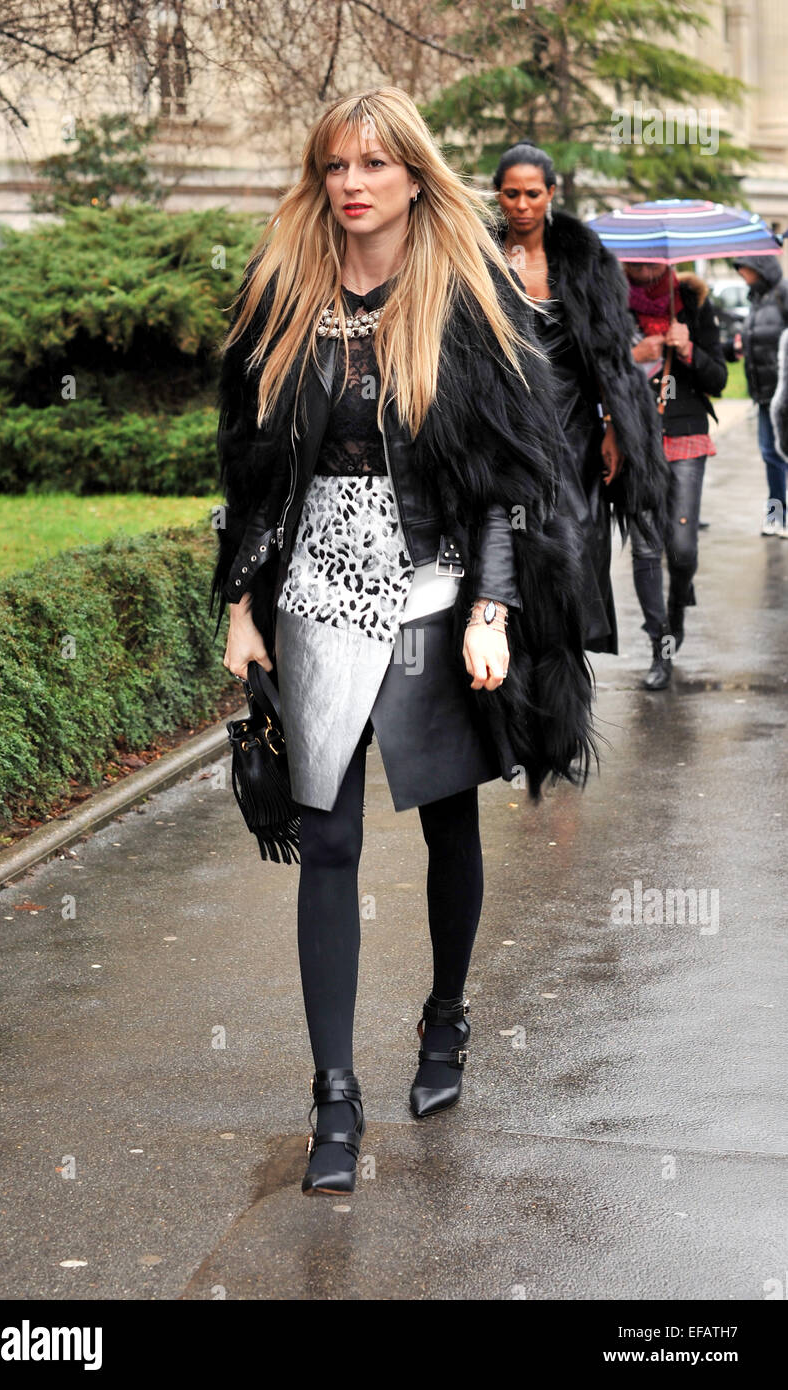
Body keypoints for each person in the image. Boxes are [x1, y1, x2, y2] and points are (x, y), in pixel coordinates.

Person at [209, 88, 595, 1198]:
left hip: (434, 591)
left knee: (446, 816)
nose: (353, 183)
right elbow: (250, 469)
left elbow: (507, 475)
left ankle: (446, 1014)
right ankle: (334, 1095)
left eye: (374, 163)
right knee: (324, 838)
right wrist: (242, 600)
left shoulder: (464, 296)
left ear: (415, 177)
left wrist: (493, 605)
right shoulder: (281, 294)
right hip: (316, 587)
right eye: (336, 165)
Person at [491, 143, 668, 656]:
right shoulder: (477, 255)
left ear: (550, 193)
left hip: (574, 423)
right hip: (508, 417)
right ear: (498, 194)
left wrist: (614, 425)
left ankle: (570, 637)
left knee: (578, 528)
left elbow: (611, 354)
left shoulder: (584, 257)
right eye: (510, 193)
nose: (521, 205)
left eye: (532, 193)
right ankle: (514, 638)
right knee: (514, 530)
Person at [624, 262, 727, 688]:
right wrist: (635, 357)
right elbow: (589, 373)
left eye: (654, 259)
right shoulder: (612, 304)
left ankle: (678, 606)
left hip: (685, 432)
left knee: (681, 548)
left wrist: (687, 351)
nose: (645, 267)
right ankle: (660, 644)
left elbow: (719, 378)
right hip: (635, 435)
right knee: (647, 548)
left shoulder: (695, 306)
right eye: (638, 258)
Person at [730, 255, 788, 538]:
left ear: (759, 267)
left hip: (783, 391)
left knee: (778, 454)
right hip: (764, 393)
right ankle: (777, 515)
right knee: (771, 455)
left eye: (744, 267)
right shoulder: (756, 298)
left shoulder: (782, 293)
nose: (741, 273)